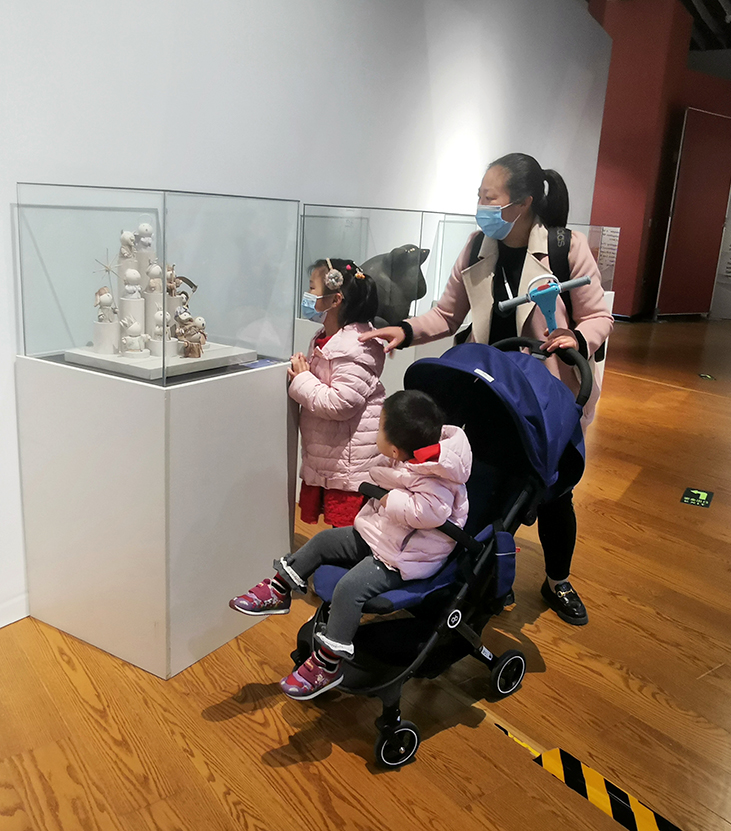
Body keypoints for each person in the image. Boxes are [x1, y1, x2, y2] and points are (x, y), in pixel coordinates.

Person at [360, 153, 613, 626]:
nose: (481, 205)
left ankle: (557, 580)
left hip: (544, 395)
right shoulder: (477, 246)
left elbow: (599, 316)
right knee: (483, 484)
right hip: (487, 391)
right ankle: (488, 571)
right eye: (480, 196)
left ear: (522, 202)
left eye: (488, 197)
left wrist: (576, 338)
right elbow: (446, 314)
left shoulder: (565, 247)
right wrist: (405, 331)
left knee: (553, 492)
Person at [230, 390, 472, 700]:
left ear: (395, 449)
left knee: (349, 588)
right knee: (323, 541)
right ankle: (280, 589)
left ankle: (328, 664)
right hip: (380, 535)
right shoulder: (408, 457)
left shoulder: (437, 476)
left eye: (379, 425)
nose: (376, 430)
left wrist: (390, 499)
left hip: (402, 557)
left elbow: (431, 512)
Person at [291, 258, 386, 531]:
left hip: (349, 464)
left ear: (335, 300)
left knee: (349, 532)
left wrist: (302, 379)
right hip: (334, 454)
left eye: (312, 288)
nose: (308, 295)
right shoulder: (327, 337)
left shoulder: (356, 346)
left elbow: (341, 403)